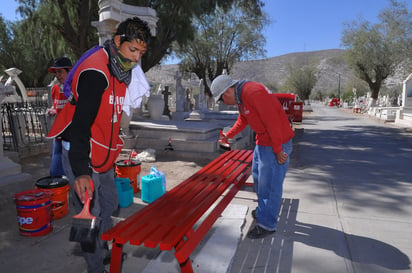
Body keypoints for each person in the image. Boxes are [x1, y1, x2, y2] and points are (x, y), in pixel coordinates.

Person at [47, 17, 151, 273]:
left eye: (141, 52)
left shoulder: (120, 67)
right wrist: (81, 172)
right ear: (118, 41)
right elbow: (81, 127)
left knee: (110, 202)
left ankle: (104, 249)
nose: (136, 58)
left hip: (101, 153)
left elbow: (109, 113)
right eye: (132, 50)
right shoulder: (96, 72)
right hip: (82, 152)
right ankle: (96, 267)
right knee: (88, 214)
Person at [210, 74, 295, 239]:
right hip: (264, 143)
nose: (223, 103)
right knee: (259, 180)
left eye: (221, 99)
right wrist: (229, 135)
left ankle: (267, 225)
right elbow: (243, 119)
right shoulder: (242, 97)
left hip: (276, 143)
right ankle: (264, 211)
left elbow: (273, 122)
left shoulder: (253, 93)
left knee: (270, 186)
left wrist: (278, 150)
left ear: (227, 91)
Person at [47, 57, 72, 177]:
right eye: (55, 72)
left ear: (70, 71)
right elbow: (56, 106)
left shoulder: (77, 88)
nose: (57, 75)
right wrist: (53, 110)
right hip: (58, 136)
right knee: (55, 172)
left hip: (73, 137)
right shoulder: (55, 89)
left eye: (60, 72)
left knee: (72, 172)